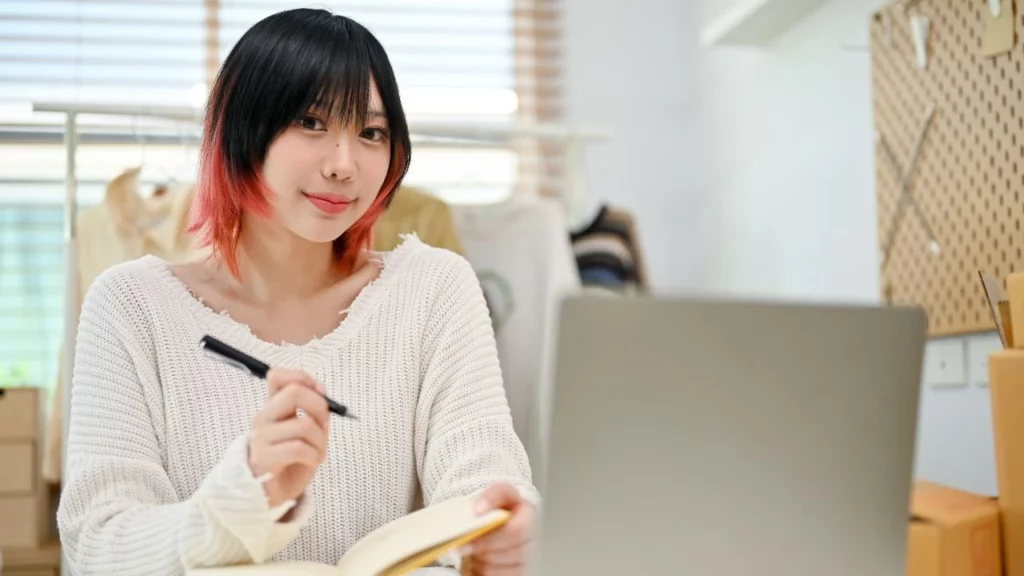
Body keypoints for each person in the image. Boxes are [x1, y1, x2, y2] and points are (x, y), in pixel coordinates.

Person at [57, 8, 537, 576]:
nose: (344, 164)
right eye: (311, 122)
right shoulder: (131, 306)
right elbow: (98, 545)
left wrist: (501, 534)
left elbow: (482, 484)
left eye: (371, 133)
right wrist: (246, 495)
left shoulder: (436, 289)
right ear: (241, 129)